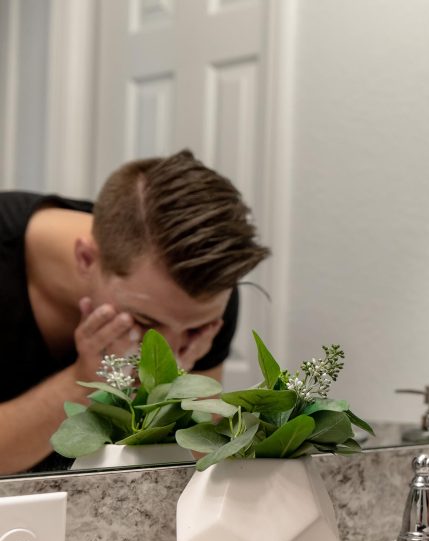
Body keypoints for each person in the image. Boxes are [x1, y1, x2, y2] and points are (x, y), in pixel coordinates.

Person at [0, 150, 270, 474]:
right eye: (145, 322)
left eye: (194, 330)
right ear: (87, 259)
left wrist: (173, 389)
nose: (168, 352)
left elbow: (192, 471)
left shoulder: (199, 298)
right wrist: (80, 382)